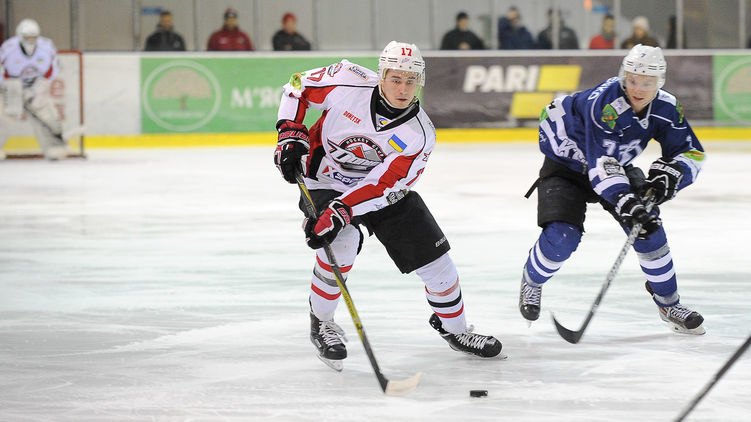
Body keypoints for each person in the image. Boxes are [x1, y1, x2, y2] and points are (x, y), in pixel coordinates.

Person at [273, 41, 503, 368]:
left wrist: (342, 210)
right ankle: (322, 322)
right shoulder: (347, 80)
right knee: (341, 243)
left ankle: (456, 330)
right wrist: (289, 132)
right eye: (395, 78)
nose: (403, 88)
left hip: (378, 193)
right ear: (381, 76)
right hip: (324, 179)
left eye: (411, 80)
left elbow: (382, 185)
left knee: (437, 262)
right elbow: (297, 88)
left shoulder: (419, 134)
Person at [518, 44, 706, 336]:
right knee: (562, 237)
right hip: (568, 166)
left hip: (614, 164)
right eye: (632, 80)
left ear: (660, 82)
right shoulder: (606, 106)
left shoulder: (667, 107)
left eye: (647, 82)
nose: (638, 88)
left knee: (649, 229)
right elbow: (602, 164)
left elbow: (690, 151)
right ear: (623, 76)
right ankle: (532, 281)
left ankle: (669, 304)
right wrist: (626, 201)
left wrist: (670, 177)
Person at [0, 19, 67, 160]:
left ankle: (54, 148)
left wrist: (39, 89)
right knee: (5, 118)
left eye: (33, 37)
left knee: (48, 116)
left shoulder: (47, 47)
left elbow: (53, 69)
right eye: (27, 38)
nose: (30, 41)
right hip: (12, 87)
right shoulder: (8, 48)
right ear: (20, 36)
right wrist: (8, 88)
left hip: (37, 86)